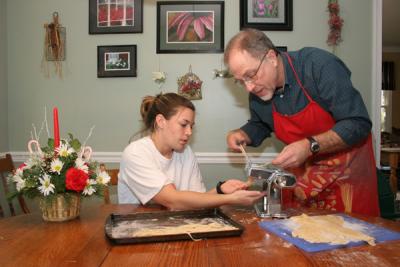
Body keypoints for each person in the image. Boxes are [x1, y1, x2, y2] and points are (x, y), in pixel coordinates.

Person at [224, 28, 380, 216]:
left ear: (272, 58)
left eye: (251, 75)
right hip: (305, 185)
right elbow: (261, 124)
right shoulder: (259, 90)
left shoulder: (318, 66)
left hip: (350, 180)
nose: (248, 87)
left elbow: (358, 123)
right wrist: (243, 134)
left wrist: (310, 145)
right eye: (241, 81)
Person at [118, 92, 264, 210]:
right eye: (183, 124)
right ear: (161, 121)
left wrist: (220, 190)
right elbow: (173, 201)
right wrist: (229, 199)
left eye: (191, 126)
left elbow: (196, 200)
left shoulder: (185, 152)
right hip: (137, 231)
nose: (189, 132)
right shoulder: (135, 153)